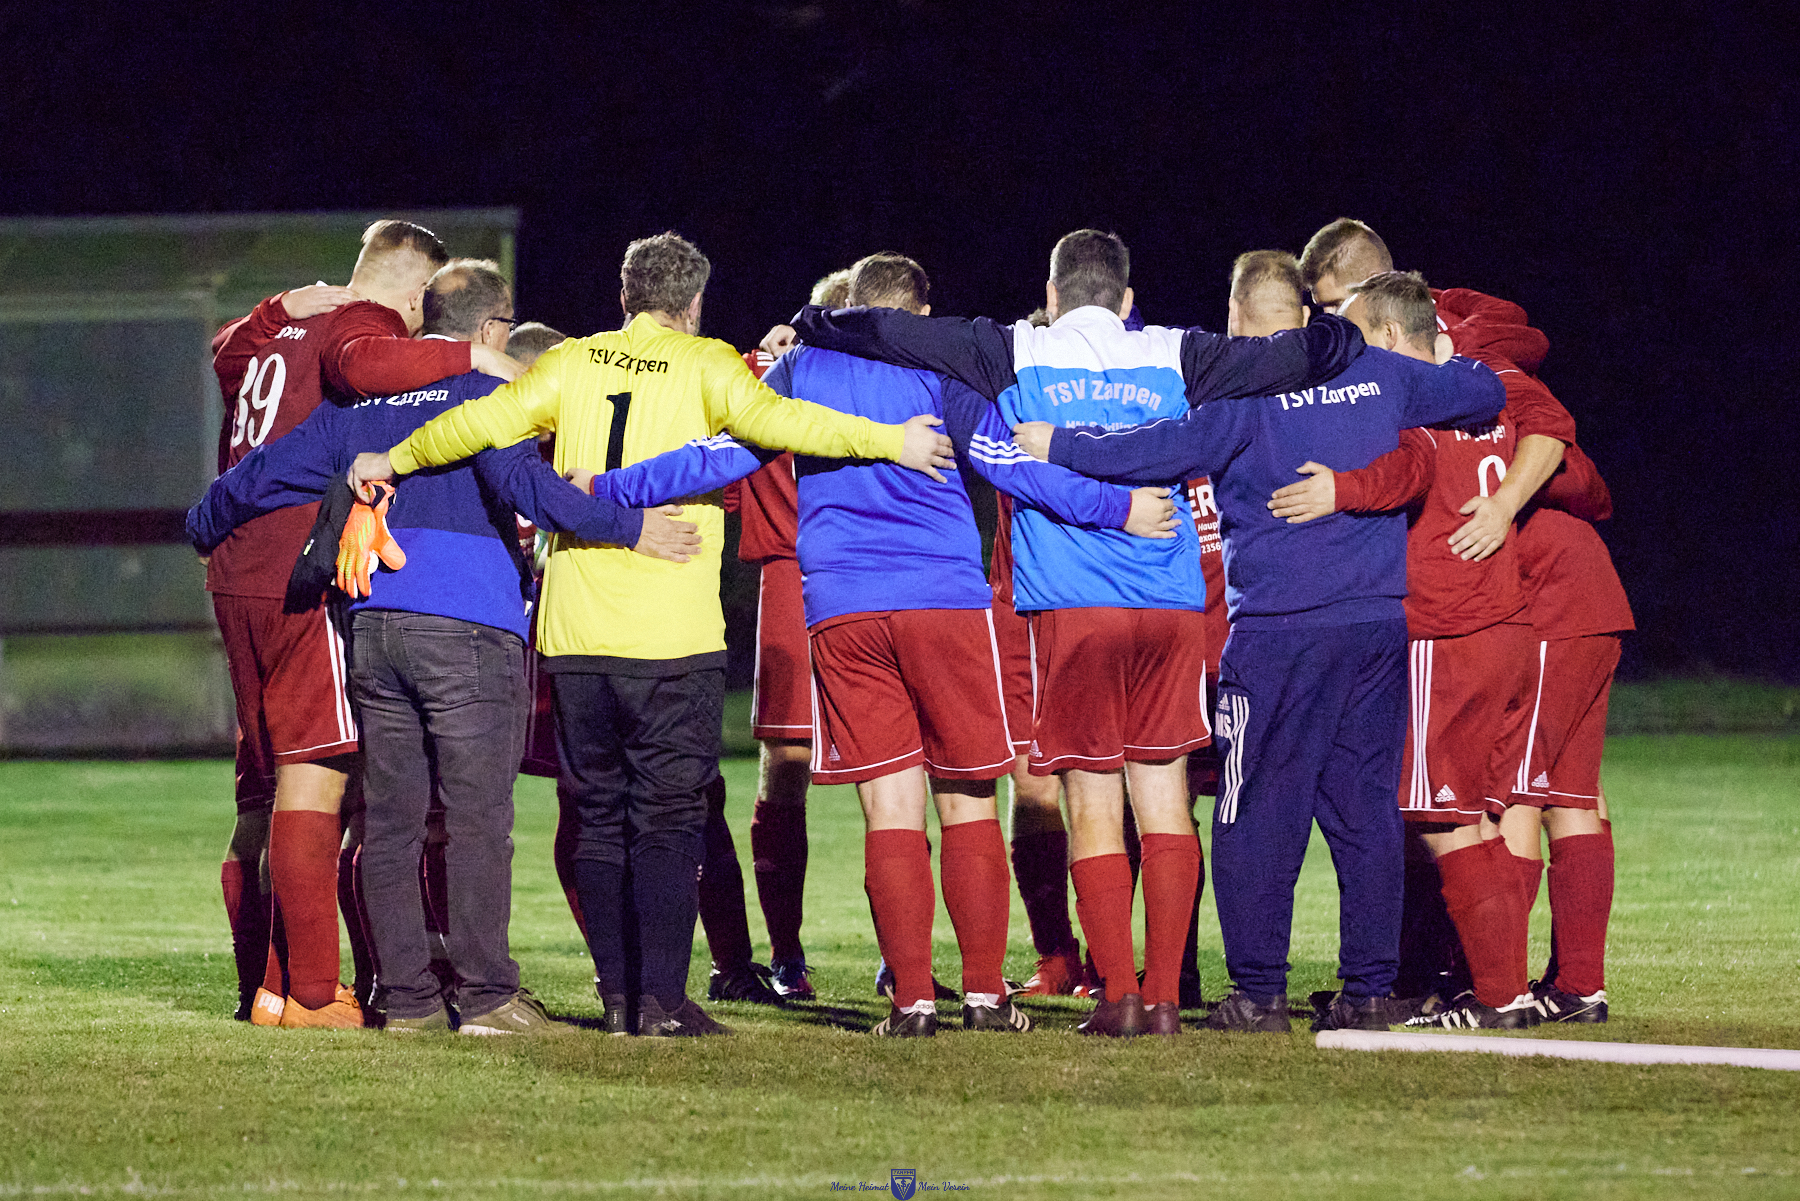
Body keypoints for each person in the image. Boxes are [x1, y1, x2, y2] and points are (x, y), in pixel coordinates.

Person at [350, 232, 956, 1037]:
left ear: (624, 297)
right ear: (694, 303)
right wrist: (893, 440)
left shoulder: (572, 362)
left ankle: (616, 996)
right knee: (670, 818)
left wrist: (391, 456)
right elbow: (789, 422)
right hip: (671, 628)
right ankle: (661, 1001)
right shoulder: (707, 363)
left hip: (576, 629)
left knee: (598, 815)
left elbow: (476, 422)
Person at [768, 229, 1366, 1037]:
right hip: (1168, 601)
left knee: (1085, 805)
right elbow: (1297, 357)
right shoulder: (1177, 351)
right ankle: (1163, 997)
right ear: (1127, 298)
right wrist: (1343, 332)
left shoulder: (1014, 348)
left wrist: (814, 321)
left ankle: (1112, 993)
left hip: (1070, 606)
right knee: (1165, 803)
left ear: (1051, 297)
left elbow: (896, 338)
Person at [191, 261, 704, 1033]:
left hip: (375, 628)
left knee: (391, 823)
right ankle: (488, 995)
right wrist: (630, 527)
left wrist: (202, 525)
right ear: (493, 329)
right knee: (475, 820)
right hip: (468, 626)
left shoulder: (359, 405)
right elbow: (529, 489)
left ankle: (407, 1000)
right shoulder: (482, 390)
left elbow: (259, 474)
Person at [1016, 268, 1506, 1033]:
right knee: (1365, 812)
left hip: (1279, 631)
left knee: (1252, 810)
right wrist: (1438, 354)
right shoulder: (1380, 374)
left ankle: (1259, 993)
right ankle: (1368, 992)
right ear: (1307, 313)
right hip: (1374, 628)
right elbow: (1484, 392)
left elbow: (1155, 449)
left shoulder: (1246, 395)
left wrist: (1061, 442)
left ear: (1240, 320)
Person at [769, 252, 1177, 1036]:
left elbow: (728, 443)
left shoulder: (799, 369)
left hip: (844, 608)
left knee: (890, 808)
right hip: (945, 602)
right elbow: (1009, 464)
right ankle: (985, 995)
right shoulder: (939, 370)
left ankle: (913, 1003)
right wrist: (1117, 508)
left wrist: (614, 491)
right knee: (966, 798)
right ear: (920, 316)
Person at [207, 219, 523, 1028]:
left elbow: (225, 354)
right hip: (298, 563)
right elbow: (364, 362)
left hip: (237, 563)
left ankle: (265, 985)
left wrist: (277, 305)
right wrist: (472, 356)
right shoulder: (362, 323)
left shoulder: (279, 325)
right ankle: (314, 991)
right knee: (321, 772)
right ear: (416, 295)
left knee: (261, 787)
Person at [1267, 273, 1577, 1029]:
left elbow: (1404, 472)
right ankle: (1500, 987)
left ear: (1391, 337)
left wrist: (1339, 489)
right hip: (1506, 627)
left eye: (1357, 336)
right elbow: (1546, 424)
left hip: (1448, 634)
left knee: (1444, 820)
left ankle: (1498, 996)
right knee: (1480, 817)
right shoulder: (1482, 392)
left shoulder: (1410, 403)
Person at [712, 266, 855, 1003]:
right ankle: (797, 953)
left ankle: (791, 955)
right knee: (882, 774)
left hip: (807, 579)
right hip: (841, 572)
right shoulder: (888, 379)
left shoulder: (752, 376)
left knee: (797, 769)